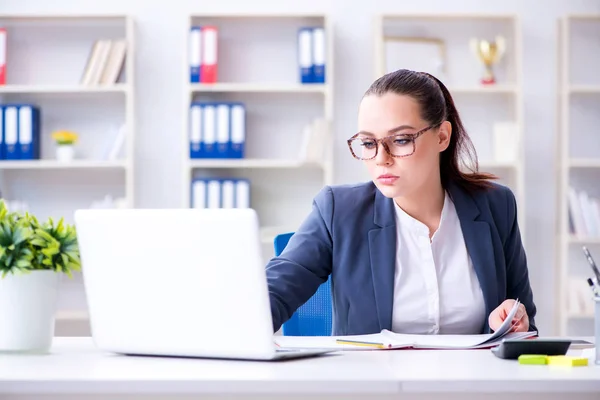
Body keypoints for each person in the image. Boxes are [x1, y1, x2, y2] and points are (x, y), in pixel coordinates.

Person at [265, 69, 537, 336]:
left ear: (442, 136)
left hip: (471, 380)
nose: (382, 158)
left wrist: (515, 320)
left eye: (401, 140)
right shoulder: (338, 211)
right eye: (369, 143)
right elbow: (273, 293)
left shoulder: (496, 206)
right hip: (373, 379)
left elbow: (525, 325)